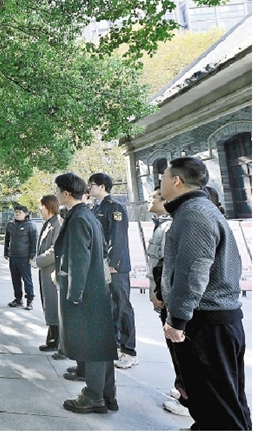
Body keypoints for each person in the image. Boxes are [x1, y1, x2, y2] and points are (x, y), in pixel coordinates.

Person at [160, 156, 251, 430]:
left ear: (176, 181)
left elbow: (193, 271)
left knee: (220, 408)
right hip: (215, 320)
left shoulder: (194, 213)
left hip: (208, 324)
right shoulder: (198, 209)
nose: (161, 184)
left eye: (163, 178)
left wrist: (177, 320)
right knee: (220, 402)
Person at [54, 173, 118, 414]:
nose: (56, 195)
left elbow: (79, 258)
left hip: (86, 290)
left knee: (92, 345)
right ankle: (106, 395)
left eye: (58, 190)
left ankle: (94, 397)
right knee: (100, 345)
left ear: (66, 193)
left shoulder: (79, 217)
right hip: (95, 287)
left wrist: (74, 293)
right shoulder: (87, 214)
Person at [145, 186, 189, 417]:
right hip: (163, 296)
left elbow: (168, 267)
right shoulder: (162, 225)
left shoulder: (171, 227)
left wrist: (160, 294)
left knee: (181, 350)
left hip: (170, 299)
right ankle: (183, 389)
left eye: (155, 197)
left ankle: (187, 398)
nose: (150, 201)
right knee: (176, 351)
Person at [88, 173, 138, 369]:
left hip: (115, 267)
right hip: (100, 265)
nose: (89, 188)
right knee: (108, 307)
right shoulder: (95, 208)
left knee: (121, 305)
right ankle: (114, 345)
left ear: (102, 186)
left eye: (92, 185)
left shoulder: (115, 207)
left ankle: (129, 350)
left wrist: (113, 263)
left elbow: (118, 238)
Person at [35, 195, 62, 352]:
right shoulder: (48, 223)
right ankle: (52, 339)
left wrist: (38, 260)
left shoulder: (57, 223)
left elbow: (55, 250)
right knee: (49, 305)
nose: (40, 209)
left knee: (53, 305)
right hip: (46, 270)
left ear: (49, 206)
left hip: (52, 271)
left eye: (42, 206)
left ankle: (56, 341)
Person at [4, 205, 38, 310]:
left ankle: (30, 300)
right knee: (15, 279)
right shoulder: (10, 225)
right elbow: (7, 239)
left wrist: (32, 256)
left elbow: (34, 242)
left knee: (27, 279)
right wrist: (6, 252)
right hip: (13, 256)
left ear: (26, 214)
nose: (17, 214)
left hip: (24, 257)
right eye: (16, 212)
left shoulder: (30, 225)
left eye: (20, 212)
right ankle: (18, 299)